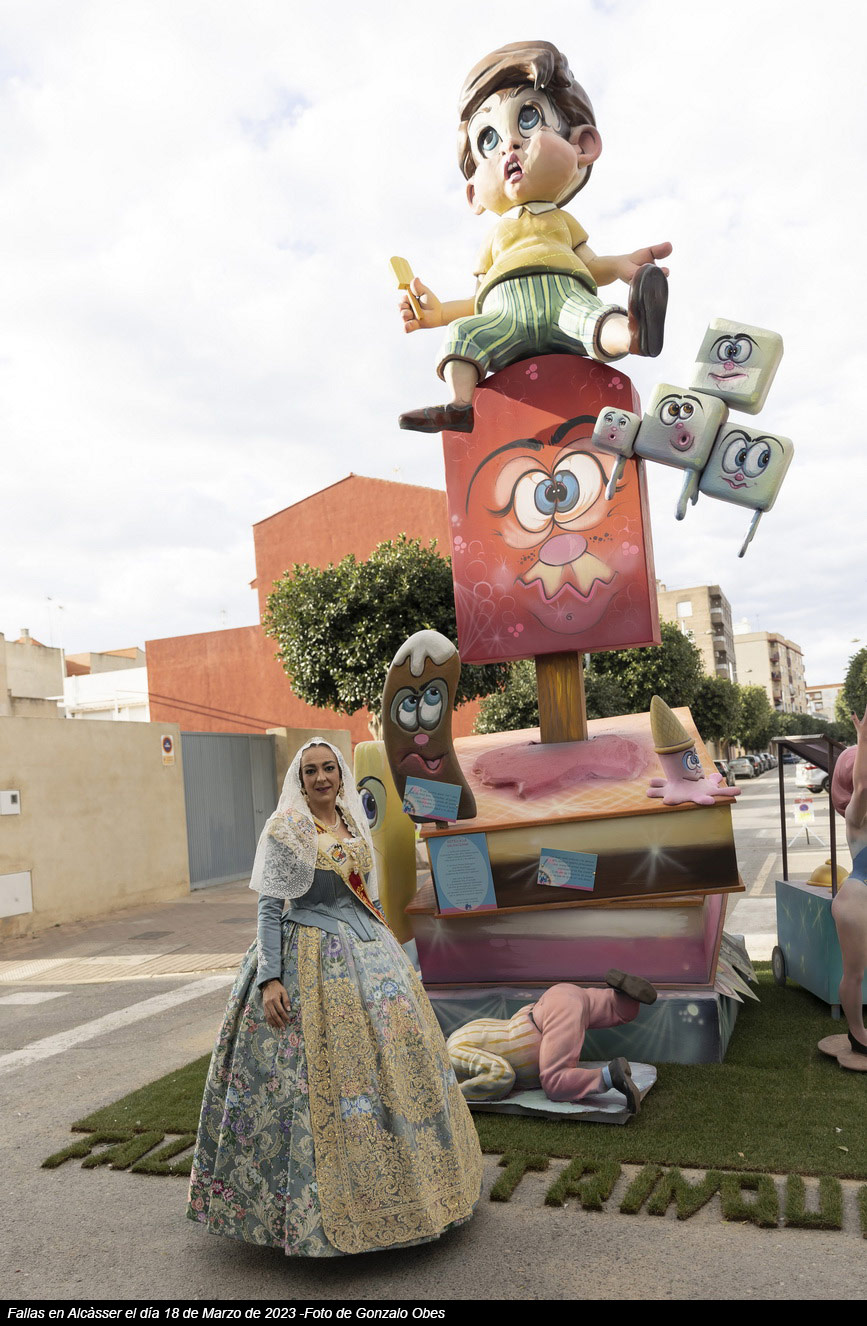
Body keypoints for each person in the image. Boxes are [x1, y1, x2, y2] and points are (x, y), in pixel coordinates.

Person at [187, 739, 483, 1256]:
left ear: (340, 774)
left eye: (328, 768)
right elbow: (270, 907)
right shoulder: (287, 828)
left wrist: (392, 952)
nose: (321, 778)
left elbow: (366, 892)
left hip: (370, 955)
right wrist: (270, 978)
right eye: (311, 771)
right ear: (300, 779)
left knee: (395, 1065)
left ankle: (414, 1191)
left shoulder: (352, 819)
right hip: (309, 956)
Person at [397, 39, 671, 434]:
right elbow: (478, 299)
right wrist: (439, 315)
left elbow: (590, 265)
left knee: (594, 318)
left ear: (582, 145)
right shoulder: (495, 237)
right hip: (504, 313)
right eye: (488, 140)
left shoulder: (561, 221)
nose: (508, 145)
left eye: (528, 119)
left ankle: (634, 334)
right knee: (464, 334)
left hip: (565, 297)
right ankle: (460, 405)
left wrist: (621, 266)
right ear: (474, 193)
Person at [446, 971, 657, 1115]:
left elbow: (502, 1074)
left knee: (545, 1077)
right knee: (505, 1077)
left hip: (522, 1031)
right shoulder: (459, 1037)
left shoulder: (454, 1051)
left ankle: (610, 1074)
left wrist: (453, 1092)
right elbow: (552, 1084)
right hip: (543, 1008)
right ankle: (623, 1000)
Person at [830, 707, 867, 1061]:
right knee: (854, 974)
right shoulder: (857, 816)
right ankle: (857, 1034)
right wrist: (863, 739)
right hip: (858, 900)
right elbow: (864, 786)